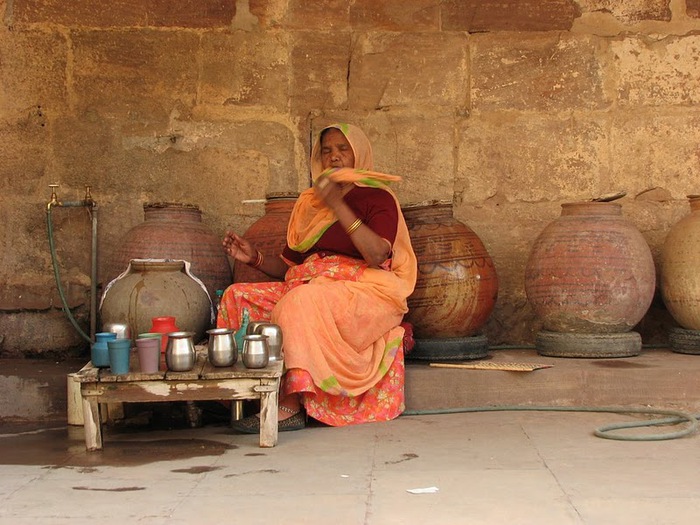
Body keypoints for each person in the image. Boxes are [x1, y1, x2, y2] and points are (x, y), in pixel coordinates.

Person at [217, 122, 417, 432]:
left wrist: (338, 203)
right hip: (309, 286)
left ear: (359, 154)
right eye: (327, 151)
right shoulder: (310, 204)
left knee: (299, 301)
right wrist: (253, 257)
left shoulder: (377, 198)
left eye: (342, 149)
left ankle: (292, 404)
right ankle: (247, 396)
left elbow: (377, 254)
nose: (334, 157)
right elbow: (291, 269)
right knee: (237, 296)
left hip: (364, 291)